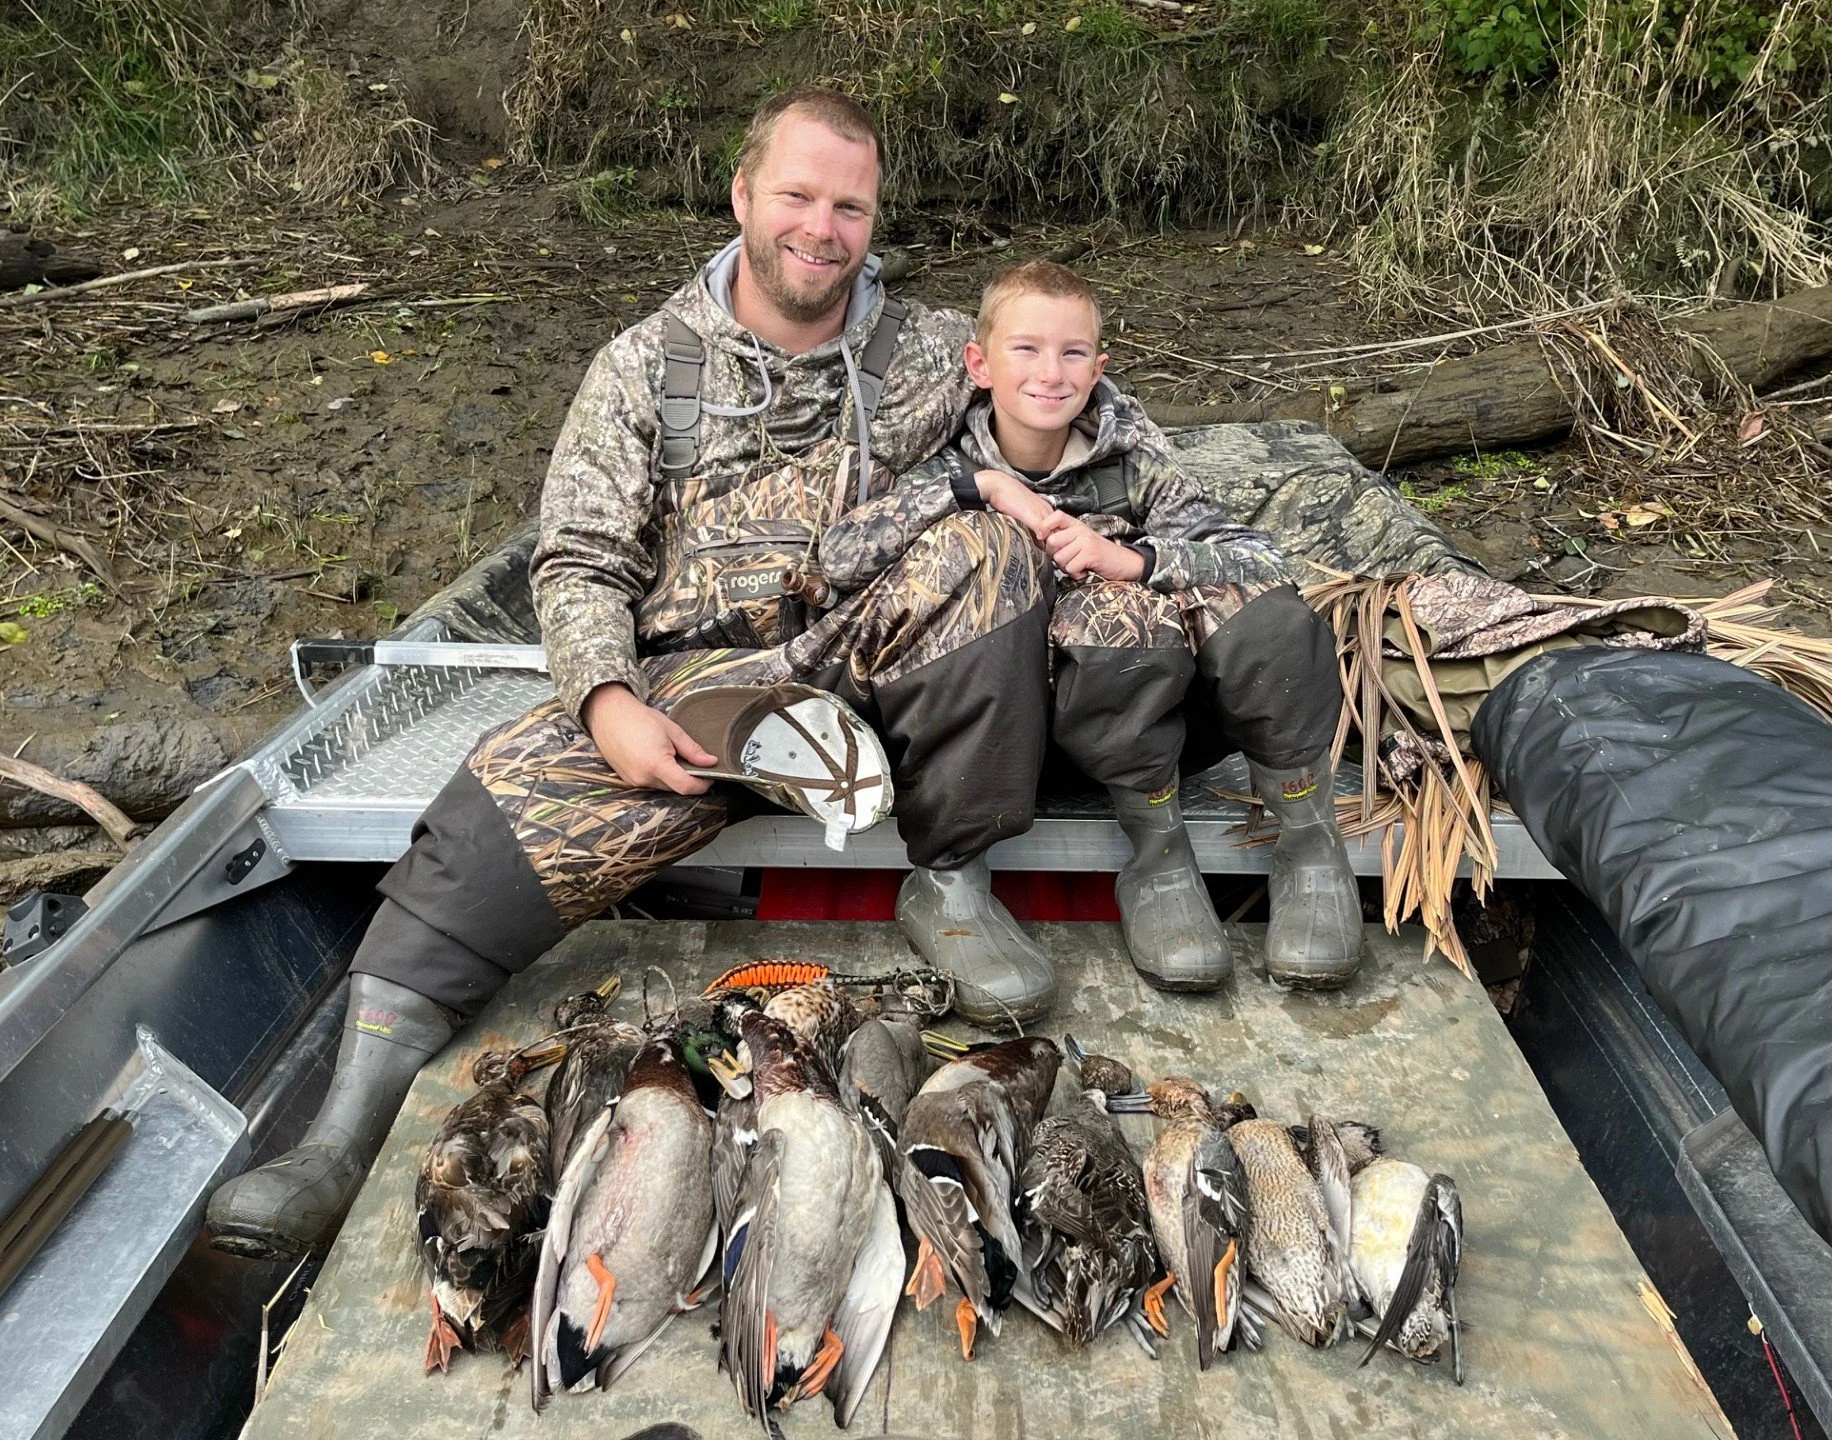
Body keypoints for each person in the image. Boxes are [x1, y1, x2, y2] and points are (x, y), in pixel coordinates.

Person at [205, 88, 1057, 1261]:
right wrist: (607, 704)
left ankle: (952, 880)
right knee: (481, 827)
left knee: (993, 549)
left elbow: (1075, 413)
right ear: (742, 196)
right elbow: (578, 561)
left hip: (873, 674)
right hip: (697, 696)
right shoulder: (643, 365)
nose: (822, 229)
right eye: (798, 196)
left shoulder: (933, 351)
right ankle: (339, 1137)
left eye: (850, 207)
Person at [821, 260, 1360, 992]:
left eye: (1072, 353)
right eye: (1026, 349)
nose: (1051, 373)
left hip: (1140, 736)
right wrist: (981, 490)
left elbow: (1257, 557)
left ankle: (1292, 846)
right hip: (990, 744)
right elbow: (840, 556)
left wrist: (1135, 560)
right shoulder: (941, 460)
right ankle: (1093, 868)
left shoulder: (1127, 461)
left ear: (1098, 368)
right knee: (1078, 602)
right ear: (978, 365)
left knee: (1262, 613)